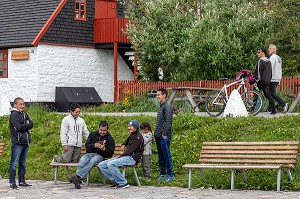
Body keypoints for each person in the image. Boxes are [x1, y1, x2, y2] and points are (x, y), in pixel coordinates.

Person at [98, 120, 144, 189]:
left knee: (111, 164)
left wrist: (121, 156)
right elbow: (126, 141)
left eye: (130, 126)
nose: (129, 127)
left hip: (132, 158)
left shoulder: (138, 137)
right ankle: (117, 180)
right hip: (126, 157)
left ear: (136, 128)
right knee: (101, 165)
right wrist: (123, 144)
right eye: (128, 126)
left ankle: (123, 182)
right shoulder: (132, 135)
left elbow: (131, 150)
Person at [70, 121, 115, 189]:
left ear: (107, 129)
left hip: (100, 155)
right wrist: (94, 145)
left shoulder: (110, 139)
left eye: (104, 130)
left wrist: (104, 149)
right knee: (82, 160)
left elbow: (110, 153)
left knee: (93, 161)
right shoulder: (92, 135)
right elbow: (87, 146)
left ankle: (78, 177)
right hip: (89, 154)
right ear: (98, 128)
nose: (102, 132)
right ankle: (78, 181)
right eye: (101, 130)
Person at [9, 97, 33, 189]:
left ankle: (22, 181)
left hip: (25, 142)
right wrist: (25, 125)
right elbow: (18, 127)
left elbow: (31, 124)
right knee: (14, 163)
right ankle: (12, 182)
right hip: (18, 142)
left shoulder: (24, 113)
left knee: (23, 163)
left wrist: (25, 125)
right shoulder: (14, 115)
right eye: (20, 104)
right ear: (15, 105)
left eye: (23, 104)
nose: (22, 106)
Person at [154, 88, 175, 182]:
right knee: (161, 156)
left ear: (164, 95)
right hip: (158, 136)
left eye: (159, 95)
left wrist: (165, 134)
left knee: (166, 155)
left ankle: (171, 174)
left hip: (164, 136)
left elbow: (168, 121)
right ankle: (162, 173)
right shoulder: (161, 106)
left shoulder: (167, 106)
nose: (157, 96)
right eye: (157, 95)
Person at [254, 48, 276, 114]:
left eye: (258, 52)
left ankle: (253, 110)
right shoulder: (268, 61)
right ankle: (274, 109)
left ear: (262, 53)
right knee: (267, 95)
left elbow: (258, 72)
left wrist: (256, 80)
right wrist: (269, 79)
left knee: (255, 93)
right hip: (267, 82)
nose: (257, 53)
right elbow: (270, 72)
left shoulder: (260, 61)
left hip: (260, 82)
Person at [268, 44, 288, 113]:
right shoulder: (279, 58)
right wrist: (279, 79)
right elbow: (280, 69)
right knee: (271, 93)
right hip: (277, 78)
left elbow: (270, 69)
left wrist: (267, 77)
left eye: (270, 48)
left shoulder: (272, 57)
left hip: (272, 78)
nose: (268, 50)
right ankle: (271, 108)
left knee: (271, 93)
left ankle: (283, 104)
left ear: (274, 49)